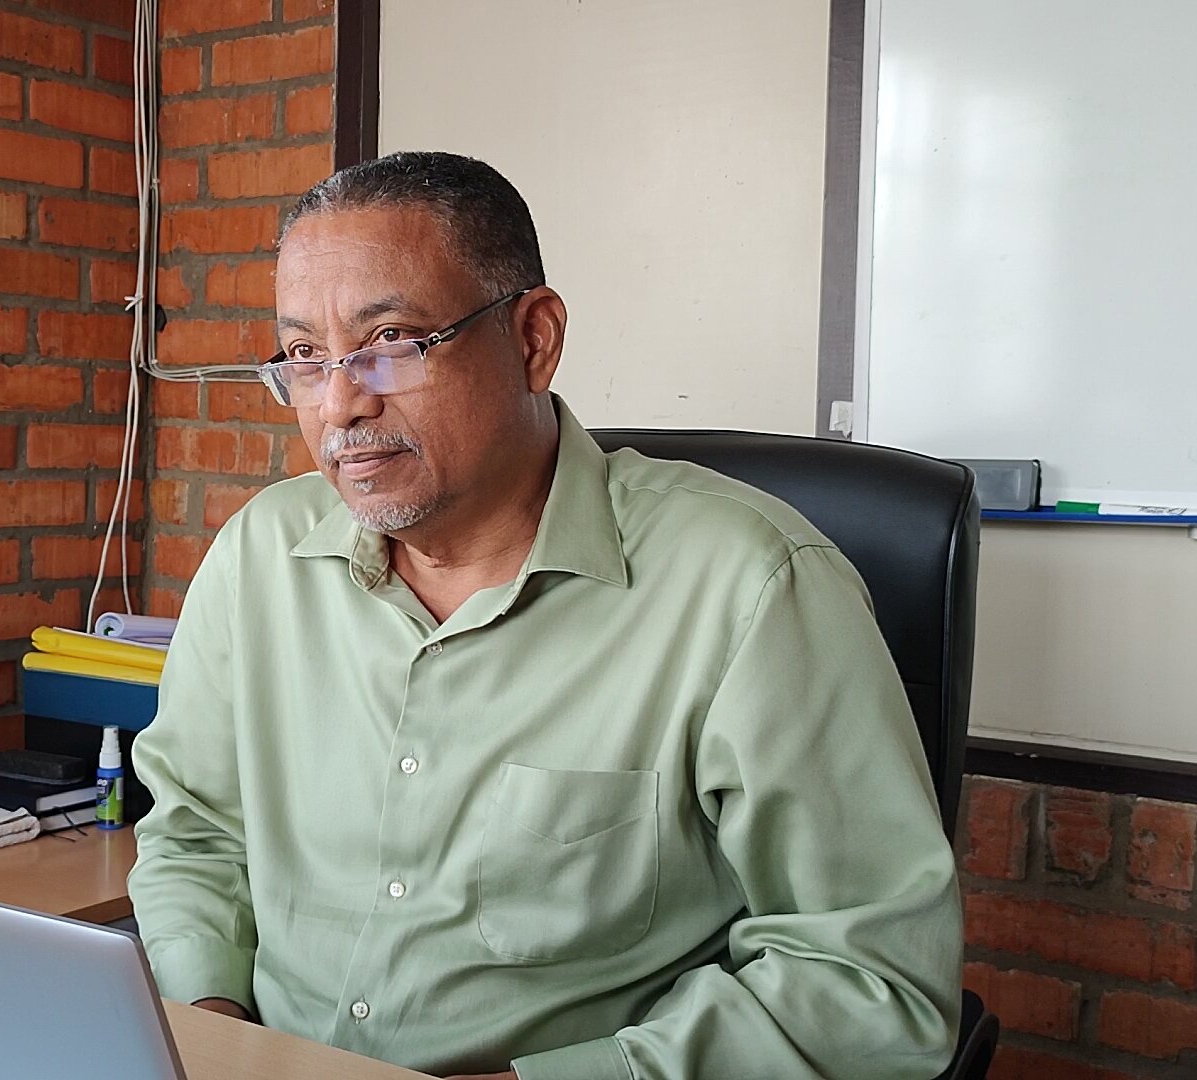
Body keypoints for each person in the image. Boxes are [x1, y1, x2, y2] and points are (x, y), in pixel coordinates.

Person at [128, 151, 961, 1080]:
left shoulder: (750, 586)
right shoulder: (259, 556)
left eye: (391, 340)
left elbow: (871, 985)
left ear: (534, 339)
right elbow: (196, 832)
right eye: (304, 357)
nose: (340, 404)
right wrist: (207, 1031)